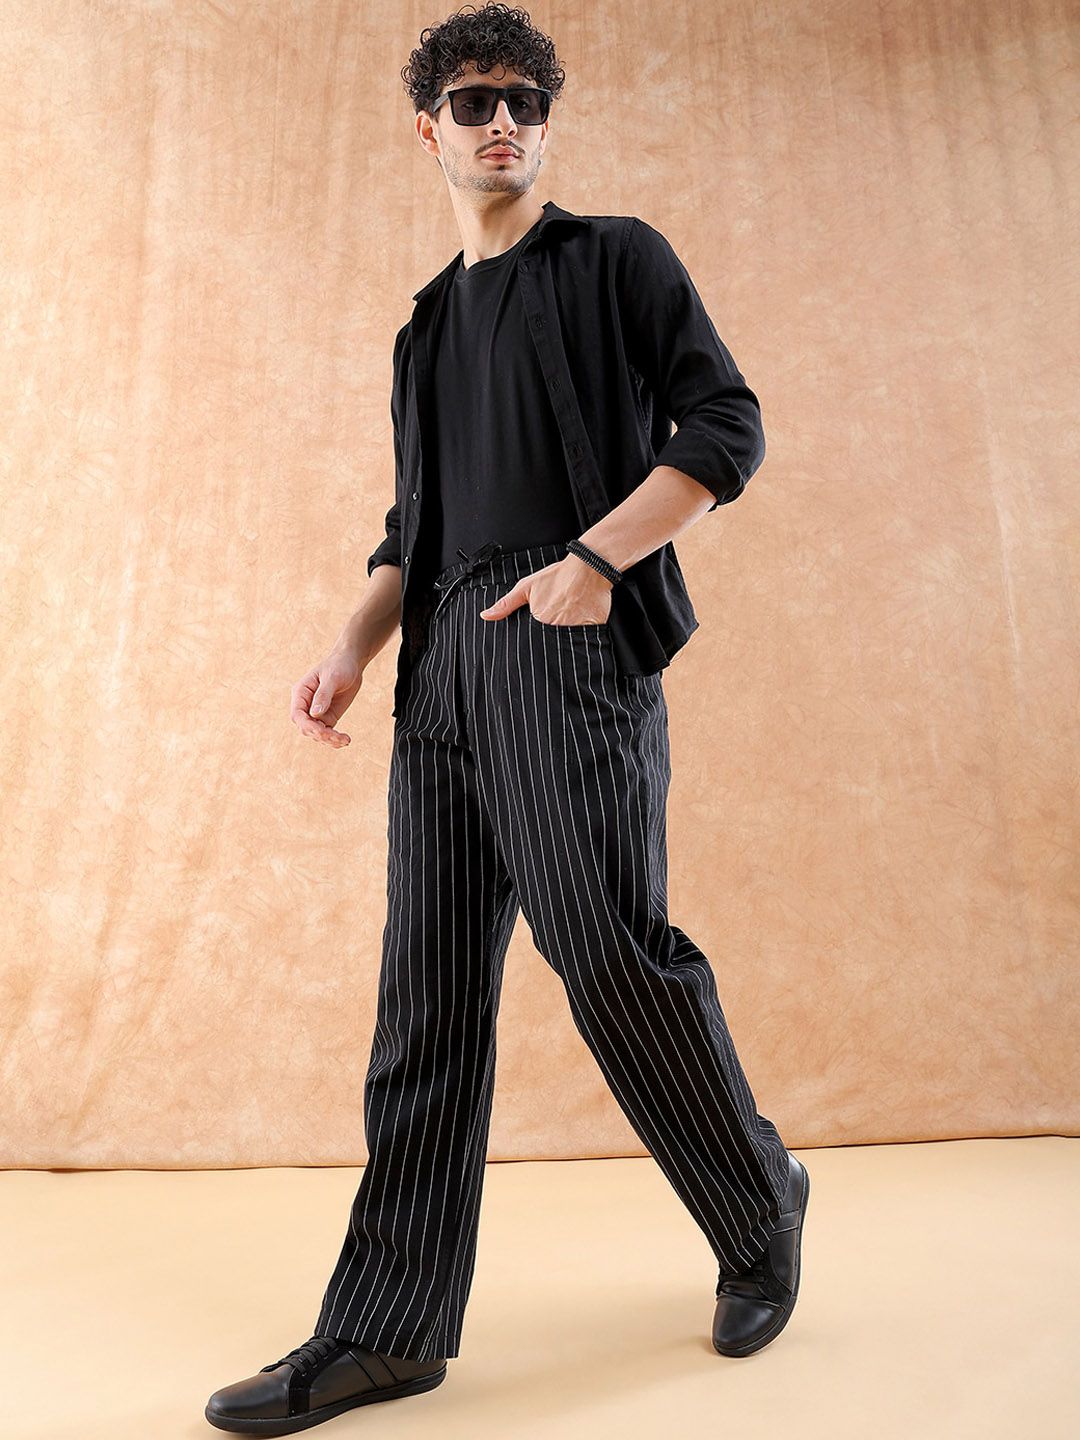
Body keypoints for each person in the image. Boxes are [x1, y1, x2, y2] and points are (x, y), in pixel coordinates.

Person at [205, 4, 809, 1433]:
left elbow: (724, 425)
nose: (503, 122)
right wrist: (352, 649)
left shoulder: (616, 260)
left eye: (525, 101)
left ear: (544, 122)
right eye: (475, 100)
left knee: (606, 954)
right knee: (424, 1000)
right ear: (429, 128)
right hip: (441, 672)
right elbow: (412, 526)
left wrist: (598, 561)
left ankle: (759, 1200)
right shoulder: (424, 325)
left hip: (565, 640)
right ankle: (388, 1331)